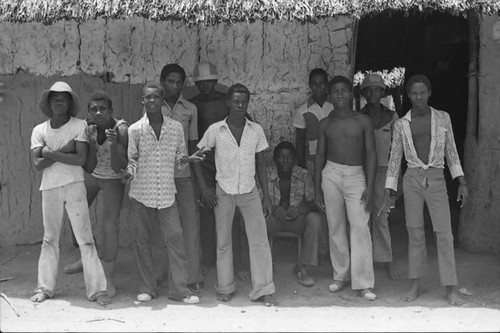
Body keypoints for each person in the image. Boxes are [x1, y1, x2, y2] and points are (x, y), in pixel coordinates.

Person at [380, 74, 469, 306]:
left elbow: (451, 151)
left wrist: (461, 182)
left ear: (429, 93)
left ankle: (450, 287)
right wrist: (390, 188)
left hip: (437, 178)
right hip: (411, 179)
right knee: (415, 231)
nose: (418, 97)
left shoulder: (442, 118)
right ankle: (415, 283)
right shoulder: (401, 124)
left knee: (444, 233)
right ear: (408, 95)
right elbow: (395, 158)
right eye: (414, 93)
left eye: (422, 92)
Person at [30, 81, 109, 305]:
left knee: (86, 239)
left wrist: (50, 153)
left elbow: (80, 159)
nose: (59, 102)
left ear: (70, 103)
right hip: (50, 188)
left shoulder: (79, 125)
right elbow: (37, 164)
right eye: (55, 98)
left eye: (63, 98)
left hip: (74, 185)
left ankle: (98, 291)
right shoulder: (39, 130)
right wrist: (65, 150)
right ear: (48, 102)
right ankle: (44, 287)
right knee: (49, 239)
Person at [123, 83, 204, 304]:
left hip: (167, 193)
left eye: (156, 97)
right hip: (141, 193)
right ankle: (146, 287)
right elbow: (132, 159)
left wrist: (186, 160)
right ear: (142, 101)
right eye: (147, 98)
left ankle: (180, 290)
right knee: (142, 241)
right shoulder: (135, 130)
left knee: (176, 238)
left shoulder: (176, 127)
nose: (151, 101)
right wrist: (130, 172)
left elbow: (179, 157)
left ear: (162, 100)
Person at [197, 83, 277, 306]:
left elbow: (261, 163)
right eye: (236, 102)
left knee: (259, 241)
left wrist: (266, 197)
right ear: (228, 103)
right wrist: (205, 187)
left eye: (244, 102)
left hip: (250, 192)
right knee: (223, 242)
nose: (240, 106)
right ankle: (225, 286)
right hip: (224, 191)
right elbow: (197, 157)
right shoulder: (216, 130)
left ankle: (264, 288)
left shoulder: (256, 130)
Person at [315, 76, 377, 301]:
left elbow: (371, 153)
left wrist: (370, 186)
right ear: (330, 96)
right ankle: (340, 275)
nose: (340, 95)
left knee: (360, 226)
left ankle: (364, 283)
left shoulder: (362, 121)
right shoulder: (326, 124)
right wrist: (316, 187)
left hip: (355, 175)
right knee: (335, 226)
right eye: (335, 92)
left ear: (351, 94)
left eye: (344, 91)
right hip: (330, 174)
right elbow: (319, 156)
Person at [63, 91, 128, 297]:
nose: (98, 113)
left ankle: (108, 276)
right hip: (93, 176)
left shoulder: (121, 129)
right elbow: (89, 167)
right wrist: (91, 143)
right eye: (94, 109)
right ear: (88, 112)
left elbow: (120, 168)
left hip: (113, 179)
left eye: (103, 109)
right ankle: (86, 258)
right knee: (75, 215)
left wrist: (113, 144)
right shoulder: (86, 128)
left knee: (109, 225)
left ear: (111, 111)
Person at [189, 61, 250, 281]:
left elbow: (247, 123)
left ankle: (238, 263)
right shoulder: (192, 104)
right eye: (201, 82)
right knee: (206, 212)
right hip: (204, 165)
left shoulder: (225, 102)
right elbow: (193, 141)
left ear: (215, 81)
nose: (205, 86)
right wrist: (201, 182)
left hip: (227, 165)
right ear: (196, 83)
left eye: (209, 81)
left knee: (232, 215)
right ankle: (207, 260)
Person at [158, 63, 203, 292]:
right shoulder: (154, 105)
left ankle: (192, 276)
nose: (174, 86)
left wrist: (197, 179)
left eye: (178, 82)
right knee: (164, 228)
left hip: (184, 175)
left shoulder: (190, 109)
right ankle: (162, 275)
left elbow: (192, 144)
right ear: (162, 82)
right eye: (170, 82)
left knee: (190, 225)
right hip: (159, 176)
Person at [264, 141, 323, 287]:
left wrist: (300, 209)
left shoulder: (303, 174)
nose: (285, 161)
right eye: (281, 157)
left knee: (315, 220)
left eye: (289, 157)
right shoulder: (266, 173)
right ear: (274, 158)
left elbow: (313, 203)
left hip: (296, 221)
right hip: (273, 221)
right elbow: (256, 199)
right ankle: (264, 265)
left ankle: (303, 267)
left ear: (294, 159)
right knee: (253, 219)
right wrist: (273, 207)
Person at [360, 74, 400, 280]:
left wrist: (394, 181)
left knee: (381, 215)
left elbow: (398, 150)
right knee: (362, 216)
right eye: (369, 90)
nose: (373, 93)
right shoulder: (359, 116)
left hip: (384, 172)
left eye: (377, 89)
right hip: (364, 171)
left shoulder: (392, 117)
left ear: (383, 93)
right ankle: (365, 261)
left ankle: (386, 260)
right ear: (364, 93)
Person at [292, 68, 333, 176]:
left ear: (327, 84)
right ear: (310, 85)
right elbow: (300, 139)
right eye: (314, 84)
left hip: (334, 159)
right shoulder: (303, 110)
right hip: (313, 160)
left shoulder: (335, 107)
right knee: (315, 190)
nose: (318, 87)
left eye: (322, 83)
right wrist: (301, 163)